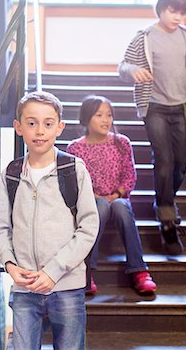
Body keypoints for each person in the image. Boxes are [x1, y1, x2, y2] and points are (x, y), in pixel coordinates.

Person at [0, 91, 99, 350]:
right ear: (18, 127)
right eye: (31, 123)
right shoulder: (12, 173)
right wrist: (9, 264)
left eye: (48, 123)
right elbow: (1, 227)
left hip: (67, 286)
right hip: (24, 287)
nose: (39, 130)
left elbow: (88, 227)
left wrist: (54, 272)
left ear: (59, 128)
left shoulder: (74, 169)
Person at [118, 0, 186, 256]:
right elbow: (123, 66)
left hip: (181, 108)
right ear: (160, 8)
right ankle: (167, 220)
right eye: (172, 10)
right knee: (164, 160)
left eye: (182, 12)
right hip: (154, 107)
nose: (177, 17)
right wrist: (133, 71)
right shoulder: (144, 36)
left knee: (180, 163)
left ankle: (162, 201)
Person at [67, 95, 157, 296]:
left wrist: (116, 194)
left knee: (120, 207)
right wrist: (96, 196)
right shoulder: (75, 148)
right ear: (86, 118)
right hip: (91, 202)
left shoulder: (121, 142)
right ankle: (85, 271)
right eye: (99, 115)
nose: (106, 120)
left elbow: (129, 175)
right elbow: (75, 183)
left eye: (109, 115)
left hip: (118, 198)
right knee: (100, 206)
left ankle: (139, 271)